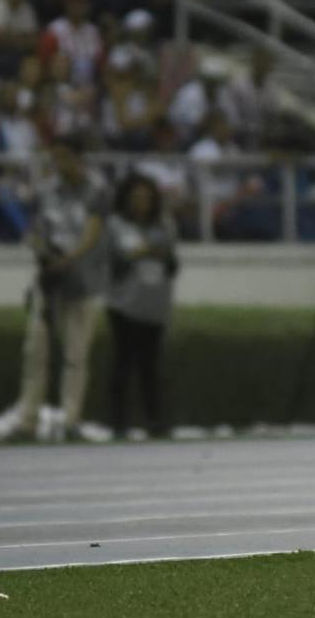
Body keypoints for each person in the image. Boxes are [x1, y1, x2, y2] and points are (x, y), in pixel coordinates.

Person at [9, 135, 110, 442]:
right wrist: (43, 253)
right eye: (56, 157)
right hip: (49, 280)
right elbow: (37, 229)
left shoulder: (96, 191)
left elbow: (92, 232)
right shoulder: (48, 191)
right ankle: (28, 419)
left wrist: (69, 259)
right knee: (35, 350)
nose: (59, 164)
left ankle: (70, 419)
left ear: (80, 158)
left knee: (75, 354)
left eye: (65, 157)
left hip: (82, 282)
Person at [106, 172, 178, 440]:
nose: (142, 203)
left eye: (147, 198)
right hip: (124, 303)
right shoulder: (116, 226)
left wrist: (162, 254)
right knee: (123, 364)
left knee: (151, 368)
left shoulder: (164, 226)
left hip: (154, 306)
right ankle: (119, 423)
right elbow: (111, 264)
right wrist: (139, 252)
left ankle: (156, 421)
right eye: (136, 198)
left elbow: (172, 265)